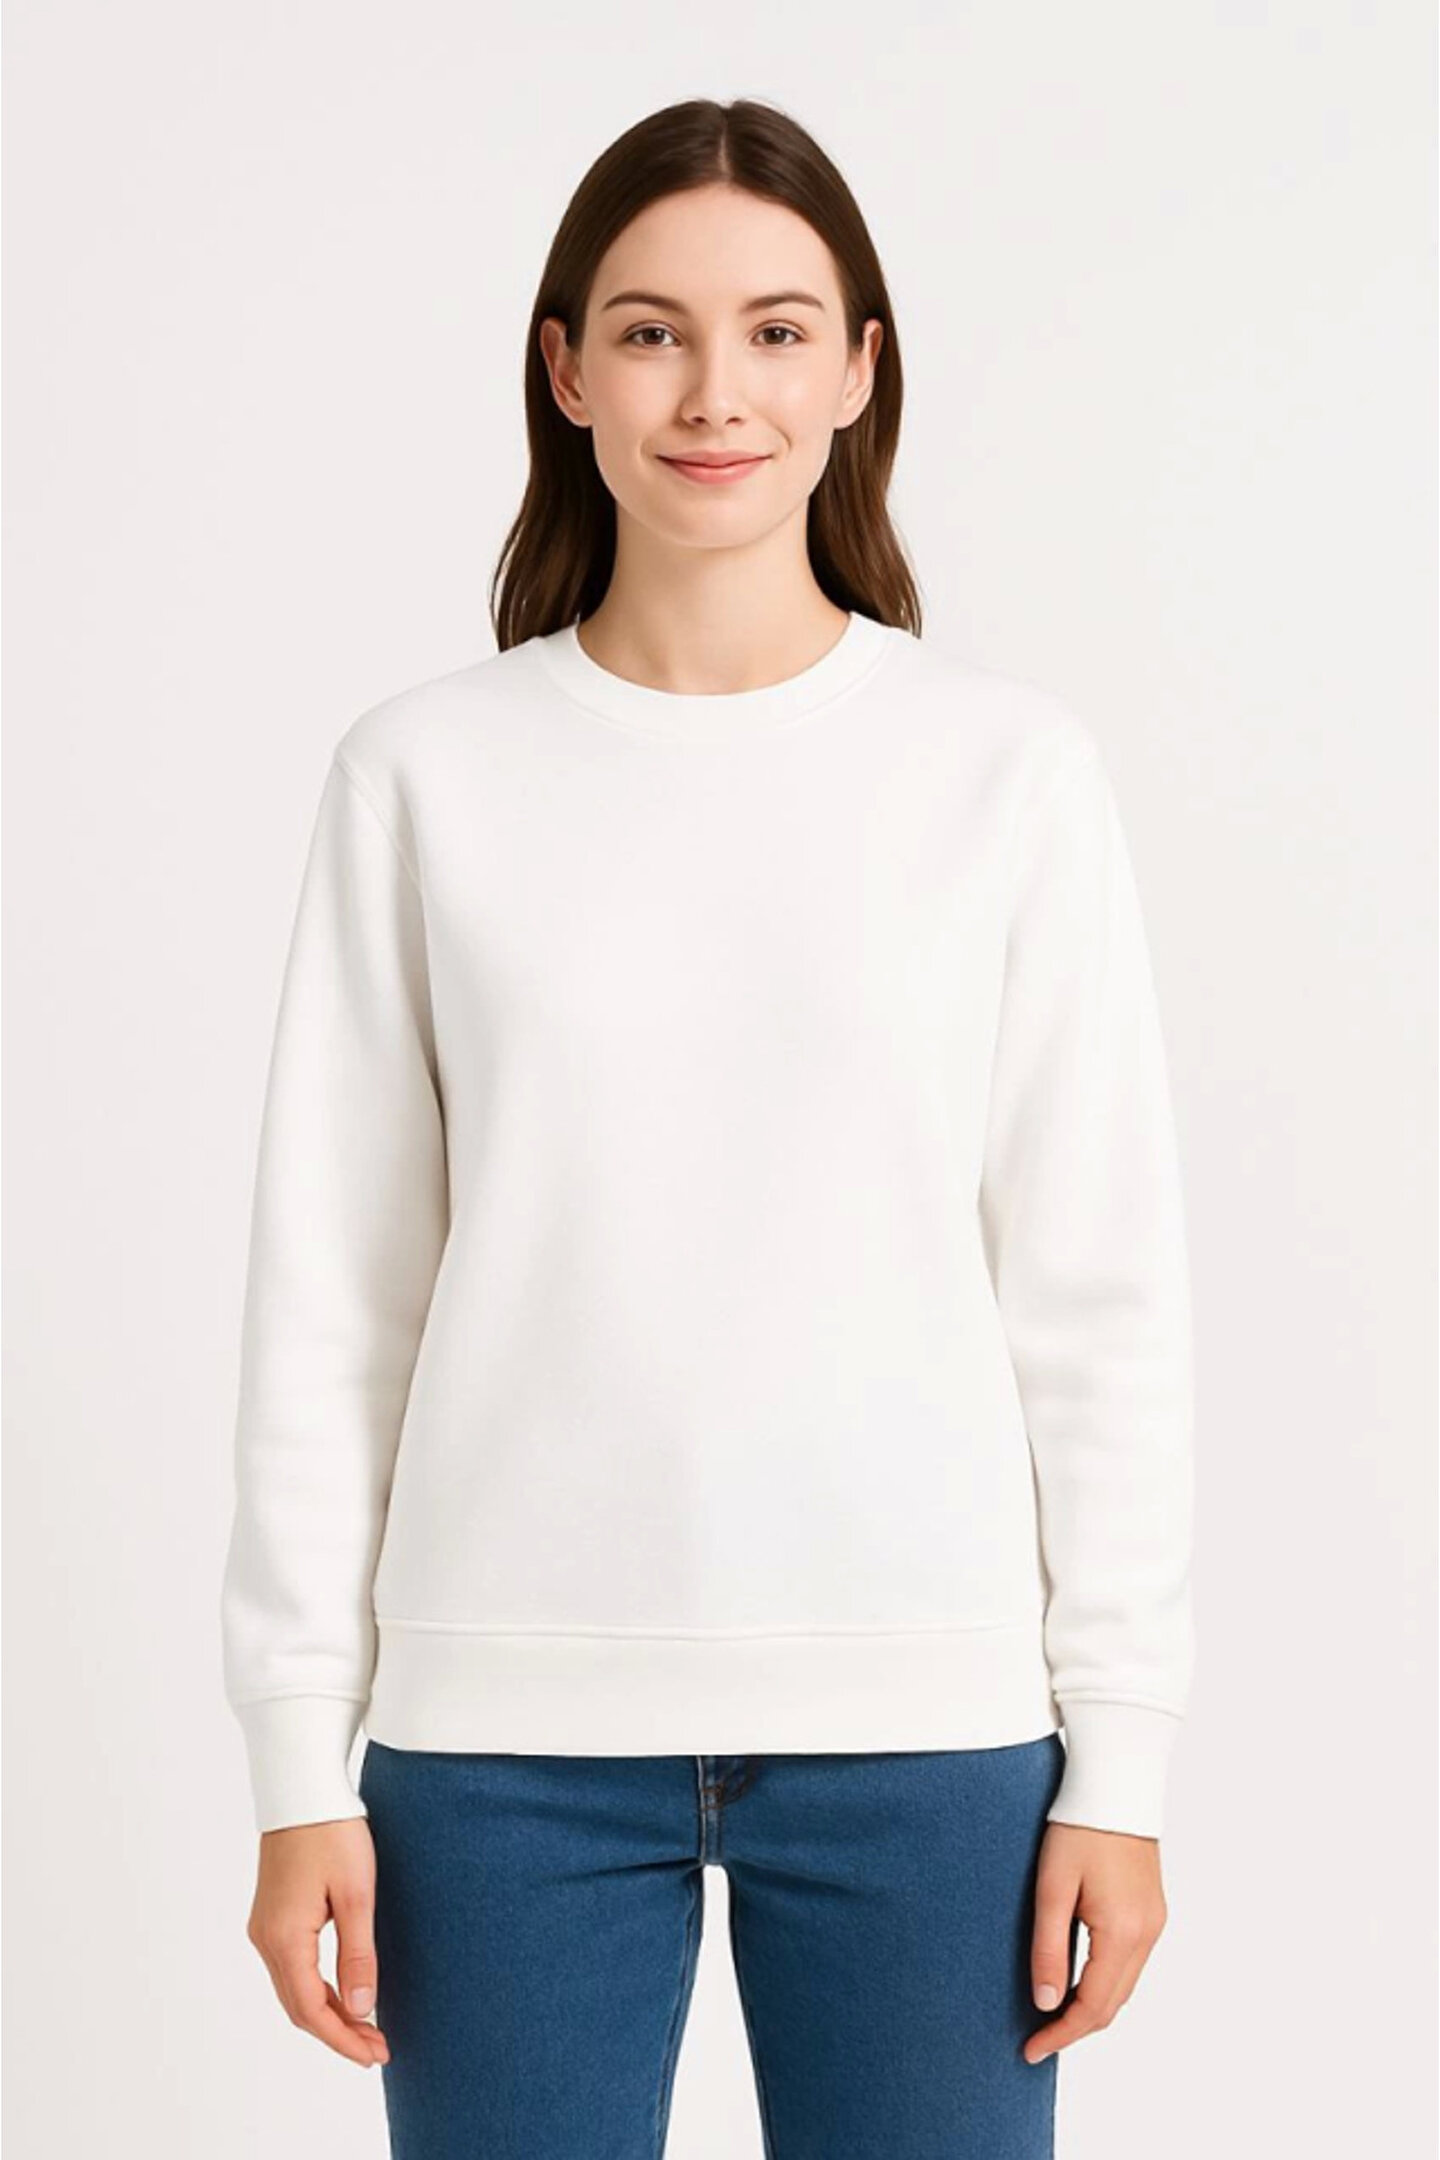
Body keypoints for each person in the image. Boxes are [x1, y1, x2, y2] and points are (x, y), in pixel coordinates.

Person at [221, 96, 1195, 2160]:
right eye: (652, 331)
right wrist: (301, 1757)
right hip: (499, 1741)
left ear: (859, 371)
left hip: (929, 1727)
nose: (714, 393)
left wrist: (1118, 1760)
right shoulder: (426, 774)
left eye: (776, 331)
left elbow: (1096, 1300)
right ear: (566, 370)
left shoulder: (1005, 774)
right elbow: (336, 1305)